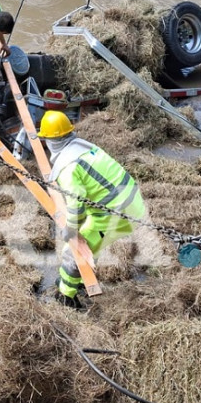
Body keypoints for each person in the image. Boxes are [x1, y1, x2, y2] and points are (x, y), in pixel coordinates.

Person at [37, 110, 146, 309]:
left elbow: (77, 206)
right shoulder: (84, 148)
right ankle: (73, 281)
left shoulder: (68, 167)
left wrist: (69, 231)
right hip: (131, 202)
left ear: (49, 140)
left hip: (117, 214)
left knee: (72, 251)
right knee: (86, 239)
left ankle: (65, 296)